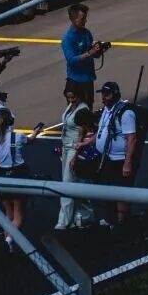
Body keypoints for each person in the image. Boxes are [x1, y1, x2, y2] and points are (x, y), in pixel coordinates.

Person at [0, 106, 39, 253]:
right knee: (19, 216)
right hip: (18, 176)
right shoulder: (18, 136)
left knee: (8, 214)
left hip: (1, 177)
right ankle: (8, 241)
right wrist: (36, 132)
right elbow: (30, 140)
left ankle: (10, 250)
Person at [83, 81, 137, 230]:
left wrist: (127, 163)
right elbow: (100, 132)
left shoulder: (126, 113)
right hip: (106, 158)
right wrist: (87, 143)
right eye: (102, 94)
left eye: (106, 95)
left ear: (115, 94)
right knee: (108, 189)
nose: (103, 98)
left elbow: (131, 139)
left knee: (121, 192)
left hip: (119, 160)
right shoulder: (107, 111)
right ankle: (111, 219)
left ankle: (122, 223)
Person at [55, 81, 95, 231]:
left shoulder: (83, 109)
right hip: (66, 146)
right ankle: (82, 215)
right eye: (69, 97)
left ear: (79, 95)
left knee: (67, 184)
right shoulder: (70, 107)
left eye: (73, 97)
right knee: (74, 182)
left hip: (74, 147)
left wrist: (75, 155)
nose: (71, 100)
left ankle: (63, 220)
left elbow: (82, 133)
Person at [61, 3, 106, 104]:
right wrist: (89, 53)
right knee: (76, 110)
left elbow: (93, 54)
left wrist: (98, 51)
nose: (85, 21)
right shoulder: (68, 39)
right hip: (76, 81)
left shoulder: (86, 33)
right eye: (83, 18)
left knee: (88, 108)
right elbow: (71, 60)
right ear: (73, 19)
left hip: (88, 79)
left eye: (85, 18)